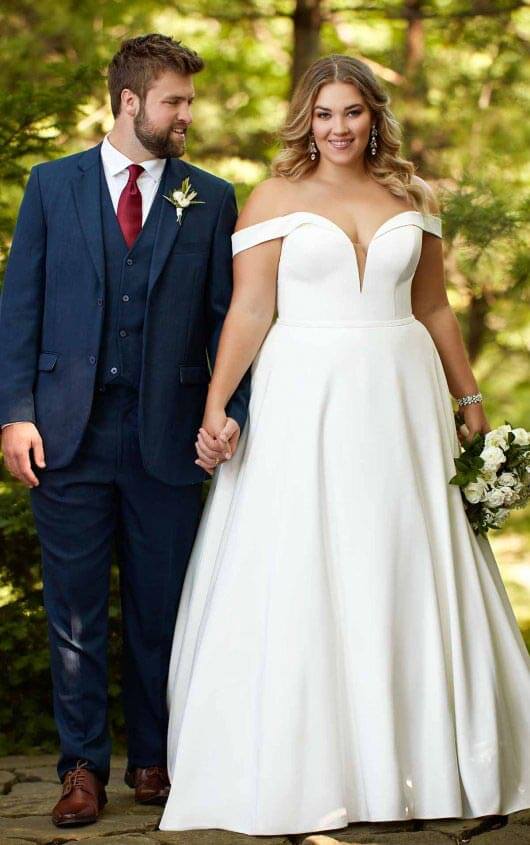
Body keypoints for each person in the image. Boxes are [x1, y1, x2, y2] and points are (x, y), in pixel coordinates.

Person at [160, 54, 530, 836]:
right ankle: (313, 767)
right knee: (305, 557)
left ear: (374, 117)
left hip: (401, 396)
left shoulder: (414, 196)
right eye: (324, 114)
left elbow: (433, 308)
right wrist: (218, 401)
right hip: (304, 397)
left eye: (353, 113)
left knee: (403, 553)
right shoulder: (273, 197)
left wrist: (471, 400)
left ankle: (424, 760)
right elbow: (251, 311)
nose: (338, 128)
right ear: (307, 119)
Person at [0, 34, 248, 828]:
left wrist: (229, 415)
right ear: (131, 101)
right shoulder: (52, 185)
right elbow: (21, 307)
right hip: (64, 436)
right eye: (175, 100)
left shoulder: (209, 196)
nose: (187, 115)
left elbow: (230, 321)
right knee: (73, 615)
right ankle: (80, 769)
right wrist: (14, 412)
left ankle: (154, 757)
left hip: (170, 438)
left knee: (161, 608)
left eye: (188, 101)